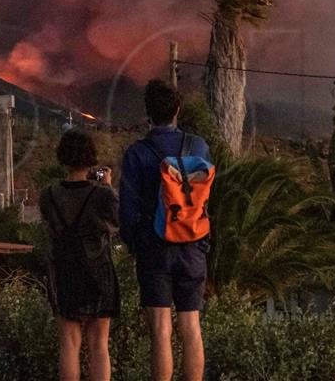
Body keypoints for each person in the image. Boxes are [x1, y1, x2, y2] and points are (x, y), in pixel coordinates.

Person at [119, 80, 211, 381]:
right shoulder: (199, 146)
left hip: (154, 247)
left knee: (160, 330)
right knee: (191, 327)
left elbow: (127, 210)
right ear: (178, 110)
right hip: (193, 244)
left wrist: (134, 244)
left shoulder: (136, 153)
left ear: (148, 113)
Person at [40, 129, 120, 381]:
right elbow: (118, 222)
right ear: (90, 158)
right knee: (99, 345)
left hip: (65, 274)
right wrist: (108, 186)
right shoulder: (101, 195)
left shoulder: (49, 195)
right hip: (99, 274)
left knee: (69, 345)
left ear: (63, 157)